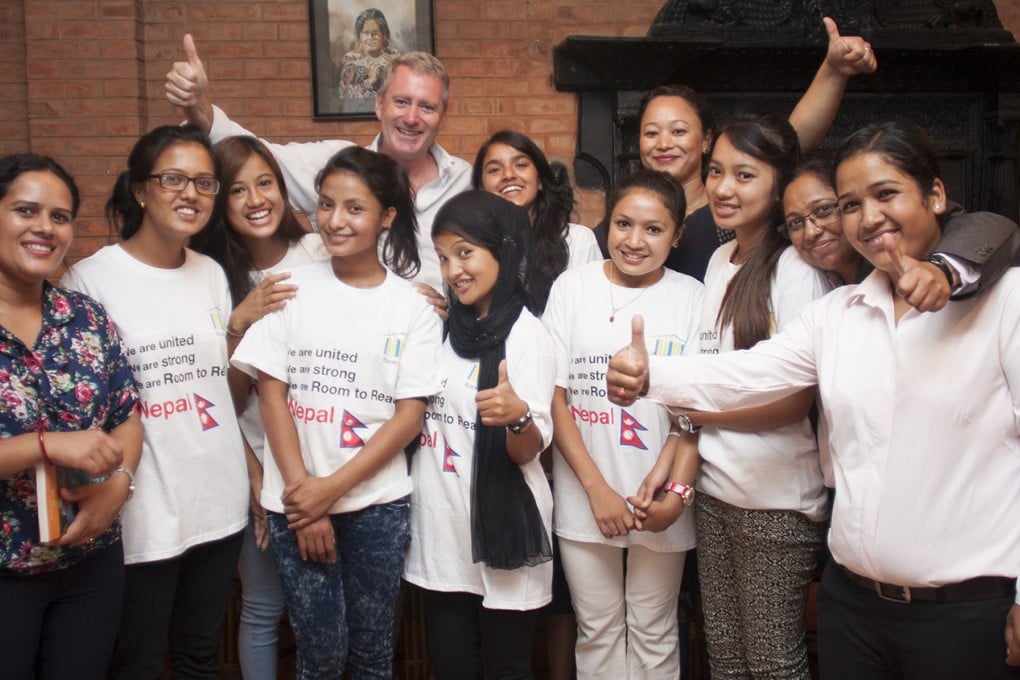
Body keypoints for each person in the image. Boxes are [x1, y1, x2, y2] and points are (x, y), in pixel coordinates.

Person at [607, 119, 1020, 680]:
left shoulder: (1005, 302)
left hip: (965, 614)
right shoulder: (839, 313)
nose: (868, 218)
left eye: (886, 194)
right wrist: (650, 375)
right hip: (853, 605)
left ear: (937, 195)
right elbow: (750, 371)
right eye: (850, 204)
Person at [231, 146, 441, 678]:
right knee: (320, 655)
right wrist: (308, 496)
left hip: (377, 506)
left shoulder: (412, 305)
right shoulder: (290, 288)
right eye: (325, 205)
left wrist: (333, 489)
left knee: (372, 653)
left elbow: (408, 416)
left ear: (386, 218)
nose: (335, 221)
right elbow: (271, 393)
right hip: (295, 504)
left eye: (354, 208)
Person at [62, 125, 249, 679]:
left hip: (217, 501)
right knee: (136, 661)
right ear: (141, 190)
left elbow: (223, 387)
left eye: (205, 183)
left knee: (199, 656)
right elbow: (85, 408)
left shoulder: (212, 273)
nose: (190, 193)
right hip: (140, 507)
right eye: (173, 179)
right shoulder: (89, 281)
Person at [541, 169, 703, 678]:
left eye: (654, 230)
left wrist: (675, 490)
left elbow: (698, 409)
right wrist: (597, 490)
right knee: (598, 630)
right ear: (606, 224)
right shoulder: (572, 287)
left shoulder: (694, 296)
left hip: (661, 500)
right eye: (624, 224)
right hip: (586, 494)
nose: (635, 241)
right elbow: (554, 397)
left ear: (677, 236)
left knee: (655, 631)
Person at [165, 36, 471, 291]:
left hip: (442, 343)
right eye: (401, 102)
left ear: (443, 115)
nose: (412, 118)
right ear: (379, 104)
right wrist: (197, 106)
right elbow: (255, 155)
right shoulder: (336, 167)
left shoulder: (466, 181)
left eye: (427, 107)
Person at [190, 135, 327, 680]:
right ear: (222, 205)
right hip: (256, 464)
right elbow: (217, 397)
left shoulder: (319, 250)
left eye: (265, 183)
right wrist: (237, 322)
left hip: (329, 459)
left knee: (328, 611)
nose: (255, 200)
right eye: (238, 190)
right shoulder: (212, 277)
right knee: (265, 606)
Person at [594, 17, 876, 282]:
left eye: (679, 131)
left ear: (706, 140)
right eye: (651, 133)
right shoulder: (624, 221)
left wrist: (833, 72)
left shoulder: (732, 212)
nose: (664, 143)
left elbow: (787, 140)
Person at [403, 190, 555, 679]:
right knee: (451, 668)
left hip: (505, 533)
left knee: (508, 669)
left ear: (504, 250)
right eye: (444, 257)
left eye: (465, 253)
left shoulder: (528, 336)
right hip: (444, 533)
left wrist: (516, 416)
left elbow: (528, 449)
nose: (453, 271)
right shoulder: (443, 328)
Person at [0, 154, 141, 680]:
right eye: (25, 210)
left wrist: (118, 484)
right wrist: (45, 444)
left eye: (59, 217)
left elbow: (127, 413)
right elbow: (59, 443)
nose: (44, 228)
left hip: (90, 564)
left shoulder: (84, 318)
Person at [782, 155, 1020, 304]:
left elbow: (987, 225)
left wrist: (943, 270)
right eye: (795, 222)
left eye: (824, 210)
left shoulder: (905, 261)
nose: (811, 231)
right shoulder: (797, 271)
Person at [473, 130, 602, 312]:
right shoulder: (473, 249)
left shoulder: (578, 242)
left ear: (540, 180)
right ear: (482, 188)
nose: (508, 175)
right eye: (495, 169)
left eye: (520, 165)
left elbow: (590, 316)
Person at [339, 8, 400, 100]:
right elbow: (346, 100)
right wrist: (370, 81)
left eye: (375, 33)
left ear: (384, 36)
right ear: (360, 37)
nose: (370, 37)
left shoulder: (396, 62)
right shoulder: (351, 67)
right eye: (366, 33)